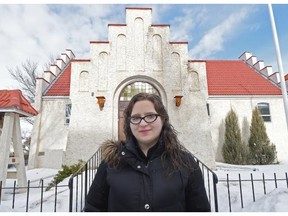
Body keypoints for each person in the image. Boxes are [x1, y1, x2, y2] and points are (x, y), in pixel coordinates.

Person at [83, 92, 211, 212]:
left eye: (150, 116)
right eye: (136, 118)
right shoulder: (111, 161)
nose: (143, 123)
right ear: (129, 123)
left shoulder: (185, 163)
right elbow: (93, 208)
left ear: (163, 119)